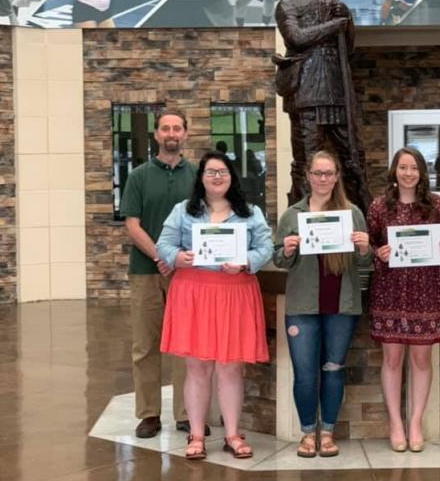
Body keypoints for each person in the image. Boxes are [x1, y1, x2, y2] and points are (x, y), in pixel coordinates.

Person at [157, 151, 272, 460]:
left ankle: (232, 434)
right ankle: (196, 435)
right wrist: (176, 257)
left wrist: (247, 261)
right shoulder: (183, 211)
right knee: (197, 368)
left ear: (232, 177)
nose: (217, 177)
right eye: (211, 172)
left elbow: (265, 247)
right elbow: (164, 244)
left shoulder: (250, 213)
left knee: (231, 368)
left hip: (235, 292)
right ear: (202, 178)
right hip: (194, 293)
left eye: (222, 172)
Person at [273, 150, 372, 458]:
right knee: (304, 373)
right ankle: (307, 433)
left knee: (333, 369)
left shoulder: (352, 212)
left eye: (329, 173)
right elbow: (278, 260)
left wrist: (366, 247)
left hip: (341, 305)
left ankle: (326, 432)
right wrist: (287, 250)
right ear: (309, 176)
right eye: (318, 173)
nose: (323, 179)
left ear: (337, 176)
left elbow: (364, 263)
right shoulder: (293, 215)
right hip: (302, 306)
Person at [273, 0, 371, 213]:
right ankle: (301, 221)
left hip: (336, 91)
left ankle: (367, 219)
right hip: (305, 91)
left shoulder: (334, 3)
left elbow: (348, 46)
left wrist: (346, 20)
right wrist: (335, 24)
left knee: (353, 158)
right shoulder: (287, 5)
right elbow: (297, 37)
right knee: (306, 162)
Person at [366, 147, 440, 453]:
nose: (408, 173)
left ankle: (415, 421)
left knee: (421, 360)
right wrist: (379, 253)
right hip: (390, 292)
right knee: (392, 360)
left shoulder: (435, 205)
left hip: (425, 292)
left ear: (421, 172)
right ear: (394, 171)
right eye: (403, 167)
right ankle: (395, 423)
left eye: (413, 168)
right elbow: (371, 245)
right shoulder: (379, 207)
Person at [120, 109, 197, 439]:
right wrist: (161, 256)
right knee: (145, 346)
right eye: (165, 128)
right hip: (145, 271)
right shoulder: (138, 176)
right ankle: (149, 414)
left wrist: (178, 259)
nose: (171, 134)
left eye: (177, 128)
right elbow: (131, 224)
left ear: (185, 134)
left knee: (185, 345)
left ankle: (185, 413)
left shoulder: (197, 175)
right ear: (156, 135)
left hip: (188, 274)